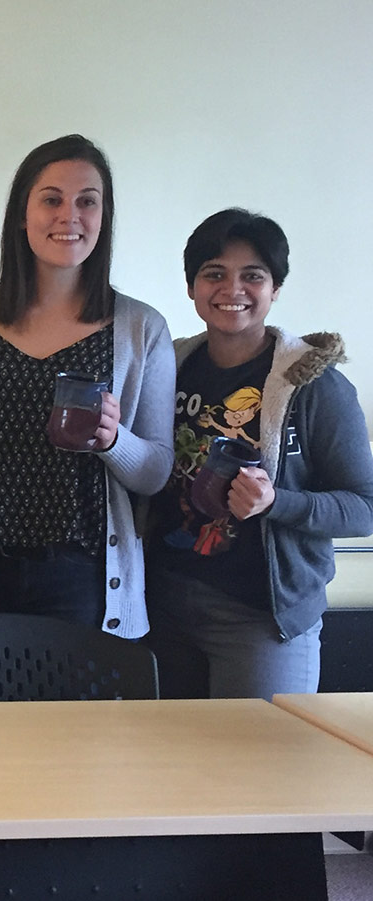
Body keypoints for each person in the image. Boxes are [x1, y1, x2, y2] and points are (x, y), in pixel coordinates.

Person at [0, 134, 174, 638]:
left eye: (88, 201)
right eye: (51, 199)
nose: (70, 215)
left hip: (82, 579)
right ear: (23, 215)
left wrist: (113, 441)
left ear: (103, 218)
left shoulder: (141, 328)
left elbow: (156, 471)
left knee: (75, 720)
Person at [145, 208, 373, 699]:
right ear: (192, 287)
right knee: (166, 768)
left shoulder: (314, 386)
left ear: (275, 289)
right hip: (161, 607)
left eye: (253, 276)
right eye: (214, 274)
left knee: (262, 768)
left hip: (260, 621)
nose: (233, 290)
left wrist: (277, 503)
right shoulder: (167, 367)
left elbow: (364, 507)